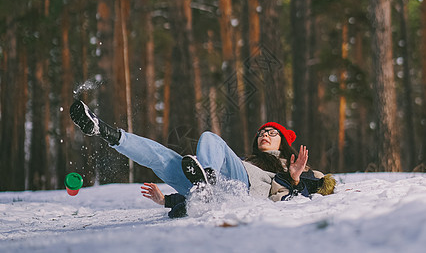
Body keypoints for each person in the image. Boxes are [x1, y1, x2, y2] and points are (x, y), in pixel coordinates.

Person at [70, 99, 336, 218]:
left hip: (240, 188)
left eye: (272, 133)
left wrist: (295, 177)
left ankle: (204, 179)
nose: (265, 135)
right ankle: (105, 132)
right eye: (262, 132)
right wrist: (167, 201)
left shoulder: (291, 165)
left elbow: (320, 186)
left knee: (210, 137)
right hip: (216, 188)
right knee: (163, 158)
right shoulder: (246, 160)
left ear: (283, 142)